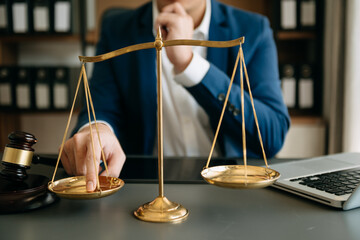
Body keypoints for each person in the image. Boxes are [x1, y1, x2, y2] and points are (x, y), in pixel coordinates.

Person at [61, 0, 290, 191]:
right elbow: (101, 107)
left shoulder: (253, 29)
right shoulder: (117, 29)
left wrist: (189, 65)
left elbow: (271, 136)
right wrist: (97, 128)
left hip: (230, 190)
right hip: (144, 191)